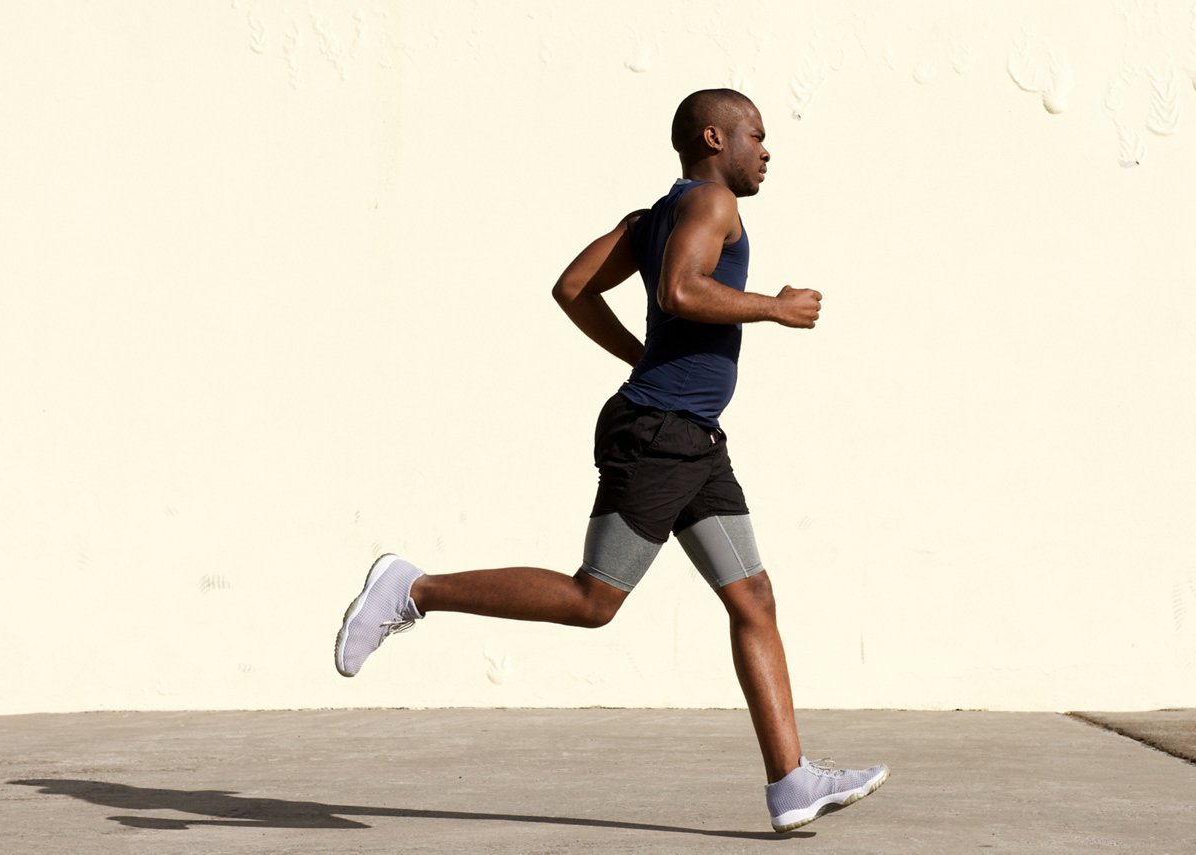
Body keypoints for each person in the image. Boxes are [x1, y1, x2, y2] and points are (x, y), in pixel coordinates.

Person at [334, 88, 888, 832]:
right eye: (757, 134)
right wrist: (773, 307)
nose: (767, 149)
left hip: (689, 437)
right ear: (713, 137)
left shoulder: (652, 215)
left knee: (753, 599)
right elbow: (683, 289)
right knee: (593, 599)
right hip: (661, 436)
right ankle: (415, 587)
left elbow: (572, 287)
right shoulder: (712, 206)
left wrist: (641, 353)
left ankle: (790, 781)